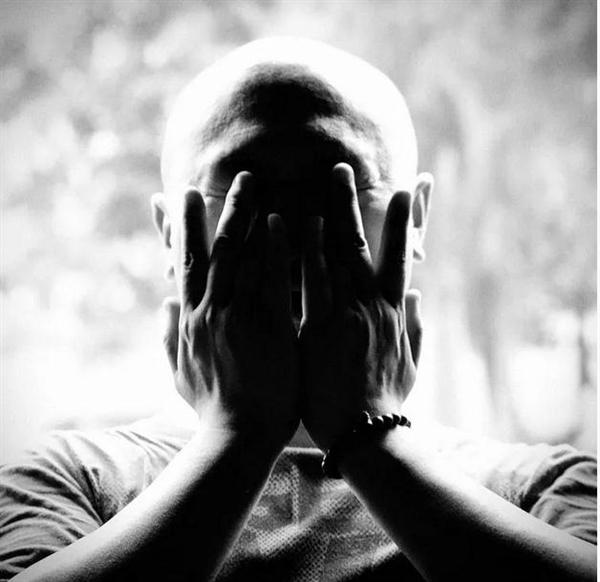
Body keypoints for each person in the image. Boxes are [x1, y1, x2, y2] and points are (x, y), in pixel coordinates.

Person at [0, 38, 596, 582]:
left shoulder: (538, 487)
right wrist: (238, 437)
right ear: (170, 233)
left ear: (413, 219)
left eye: (336, 188)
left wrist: (370, 439)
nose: (287, 231)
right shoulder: (70, 477)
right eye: (245, 188)